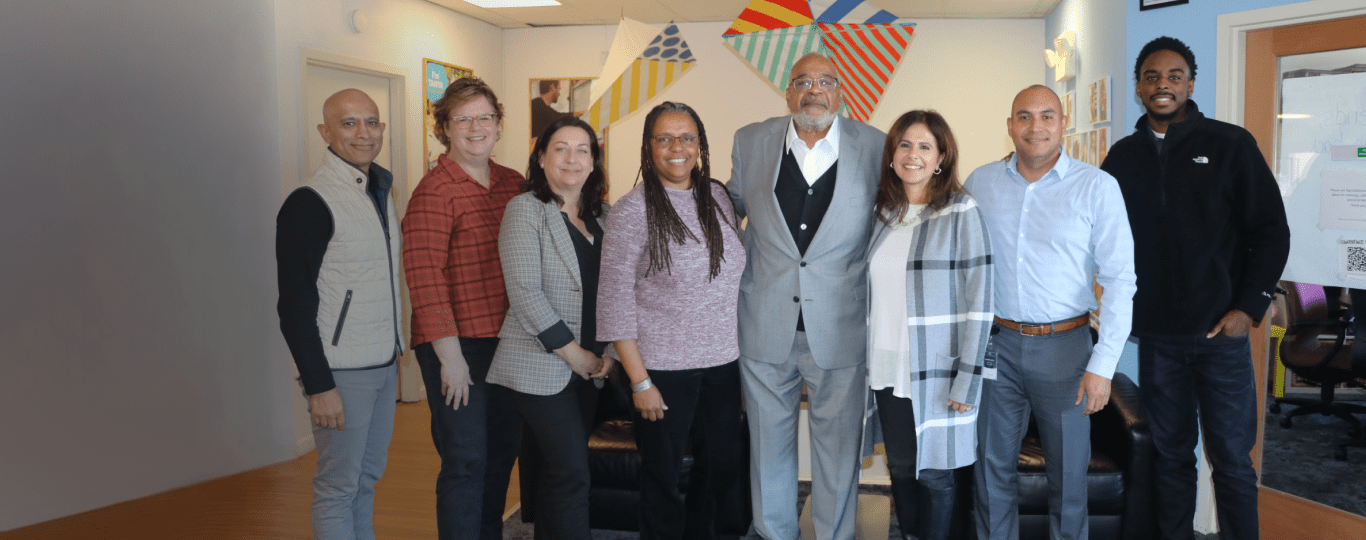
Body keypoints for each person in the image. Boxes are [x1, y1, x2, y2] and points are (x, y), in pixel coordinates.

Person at [1100, 36, 1290, 540]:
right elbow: (1099, 236)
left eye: (1175, 76)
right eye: (1152, 77)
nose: (1163, 85)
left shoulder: (1231, 145)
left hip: (1219, 340)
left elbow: (1272, 232)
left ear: (1190, 83)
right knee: (1171, 457)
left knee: (1231, 462)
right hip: (1159, 342)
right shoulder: (1121, 158)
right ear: (1140, 87)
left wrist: (1248, 310)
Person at [965, 84, 1136, 540]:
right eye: (1024, 116)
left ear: (1063, 124)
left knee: (1069, 477)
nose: (1034, 126)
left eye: (1046, 116)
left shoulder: (1097, 187)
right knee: (991, 469)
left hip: (1067, 352)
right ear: (1009, 126)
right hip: (997, 346)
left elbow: (1121, 280)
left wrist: (1103, 365)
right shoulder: (982, 182)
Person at [726, 52, 885, 540]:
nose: (814, 90)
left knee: (837, 453)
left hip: (841, 325)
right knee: (768, 450)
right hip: (764, 321)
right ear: (787, 91)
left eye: (825, 81)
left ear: (841, 91)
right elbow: (728, 205)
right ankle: (774, 533)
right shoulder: (751, 140)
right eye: (802, 82)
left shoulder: (876, 146)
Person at [597, 101, 747, 540]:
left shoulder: (715, 195)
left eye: (686, 138)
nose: (676, 147)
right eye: (664, 138)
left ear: (699, 145)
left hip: (722, 362)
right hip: (662, 369)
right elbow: (614, 300)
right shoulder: (632, 209)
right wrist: (640, 382)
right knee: (662, 479)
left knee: (719, 469)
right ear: (649, 147)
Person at [276, 88, 403, 540]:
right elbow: (292, 307)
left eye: (371, 122)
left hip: (383, 365)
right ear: (324, 132)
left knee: (365, 481)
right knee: (337, 487)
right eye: (349, 124)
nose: (363, 133)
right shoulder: (310, 202)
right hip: (341, 373)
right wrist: (319, 385)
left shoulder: (378, 190)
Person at [401, 76, 524, 540]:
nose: (476, 128)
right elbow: (425, 279)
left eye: (485, 117)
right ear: (445, 128)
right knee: (465, 459)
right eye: (463, 119)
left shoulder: (513, 182)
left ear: (498, 123)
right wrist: (450, 361)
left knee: (500, 455)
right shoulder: (435, 191)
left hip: (509, 344)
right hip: (458, 349)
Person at [485, 116, 615, 540]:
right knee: (572, 471)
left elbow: (620, 292)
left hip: (594, 369)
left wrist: (608, 356)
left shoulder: (606, 218)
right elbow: (524, 292)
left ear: (594, 161)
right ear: (541, 158)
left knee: (560, 474)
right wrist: (576, 355)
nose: (571, 159)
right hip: (543, 367)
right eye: (560, 148)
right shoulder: (525, 210)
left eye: (583, 150)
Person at [867, 110, 993, 540]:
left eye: (925, 146)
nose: (913, 154)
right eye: (904, 144)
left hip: (939, 371)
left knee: (936, 476)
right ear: (891, 154)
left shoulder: (961, 210)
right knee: (901, 469)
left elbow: (981, 303)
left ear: (941, 157)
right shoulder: (881, 211)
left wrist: (968, 379)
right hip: (885, 369)